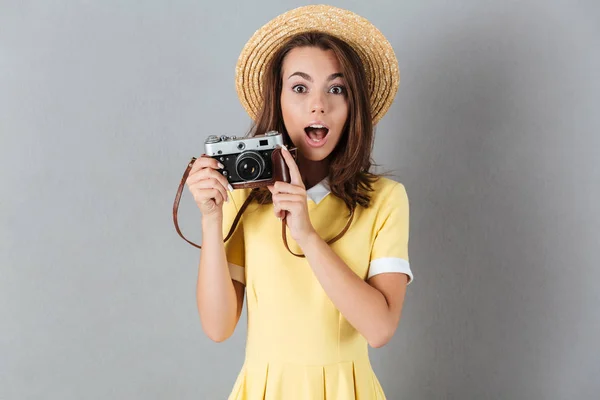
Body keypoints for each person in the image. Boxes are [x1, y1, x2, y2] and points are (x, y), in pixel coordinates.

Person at [185, 5, 413, 399]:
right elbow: (218, 327)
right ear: (278, 100)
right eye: (300, 87)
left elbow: (379, 329)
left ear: (352, 106)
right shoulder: (243, 200)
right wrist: (210, 218)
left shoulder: (386, 200)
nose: (318, 105)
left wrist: (307, 234)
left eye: (336, 89)